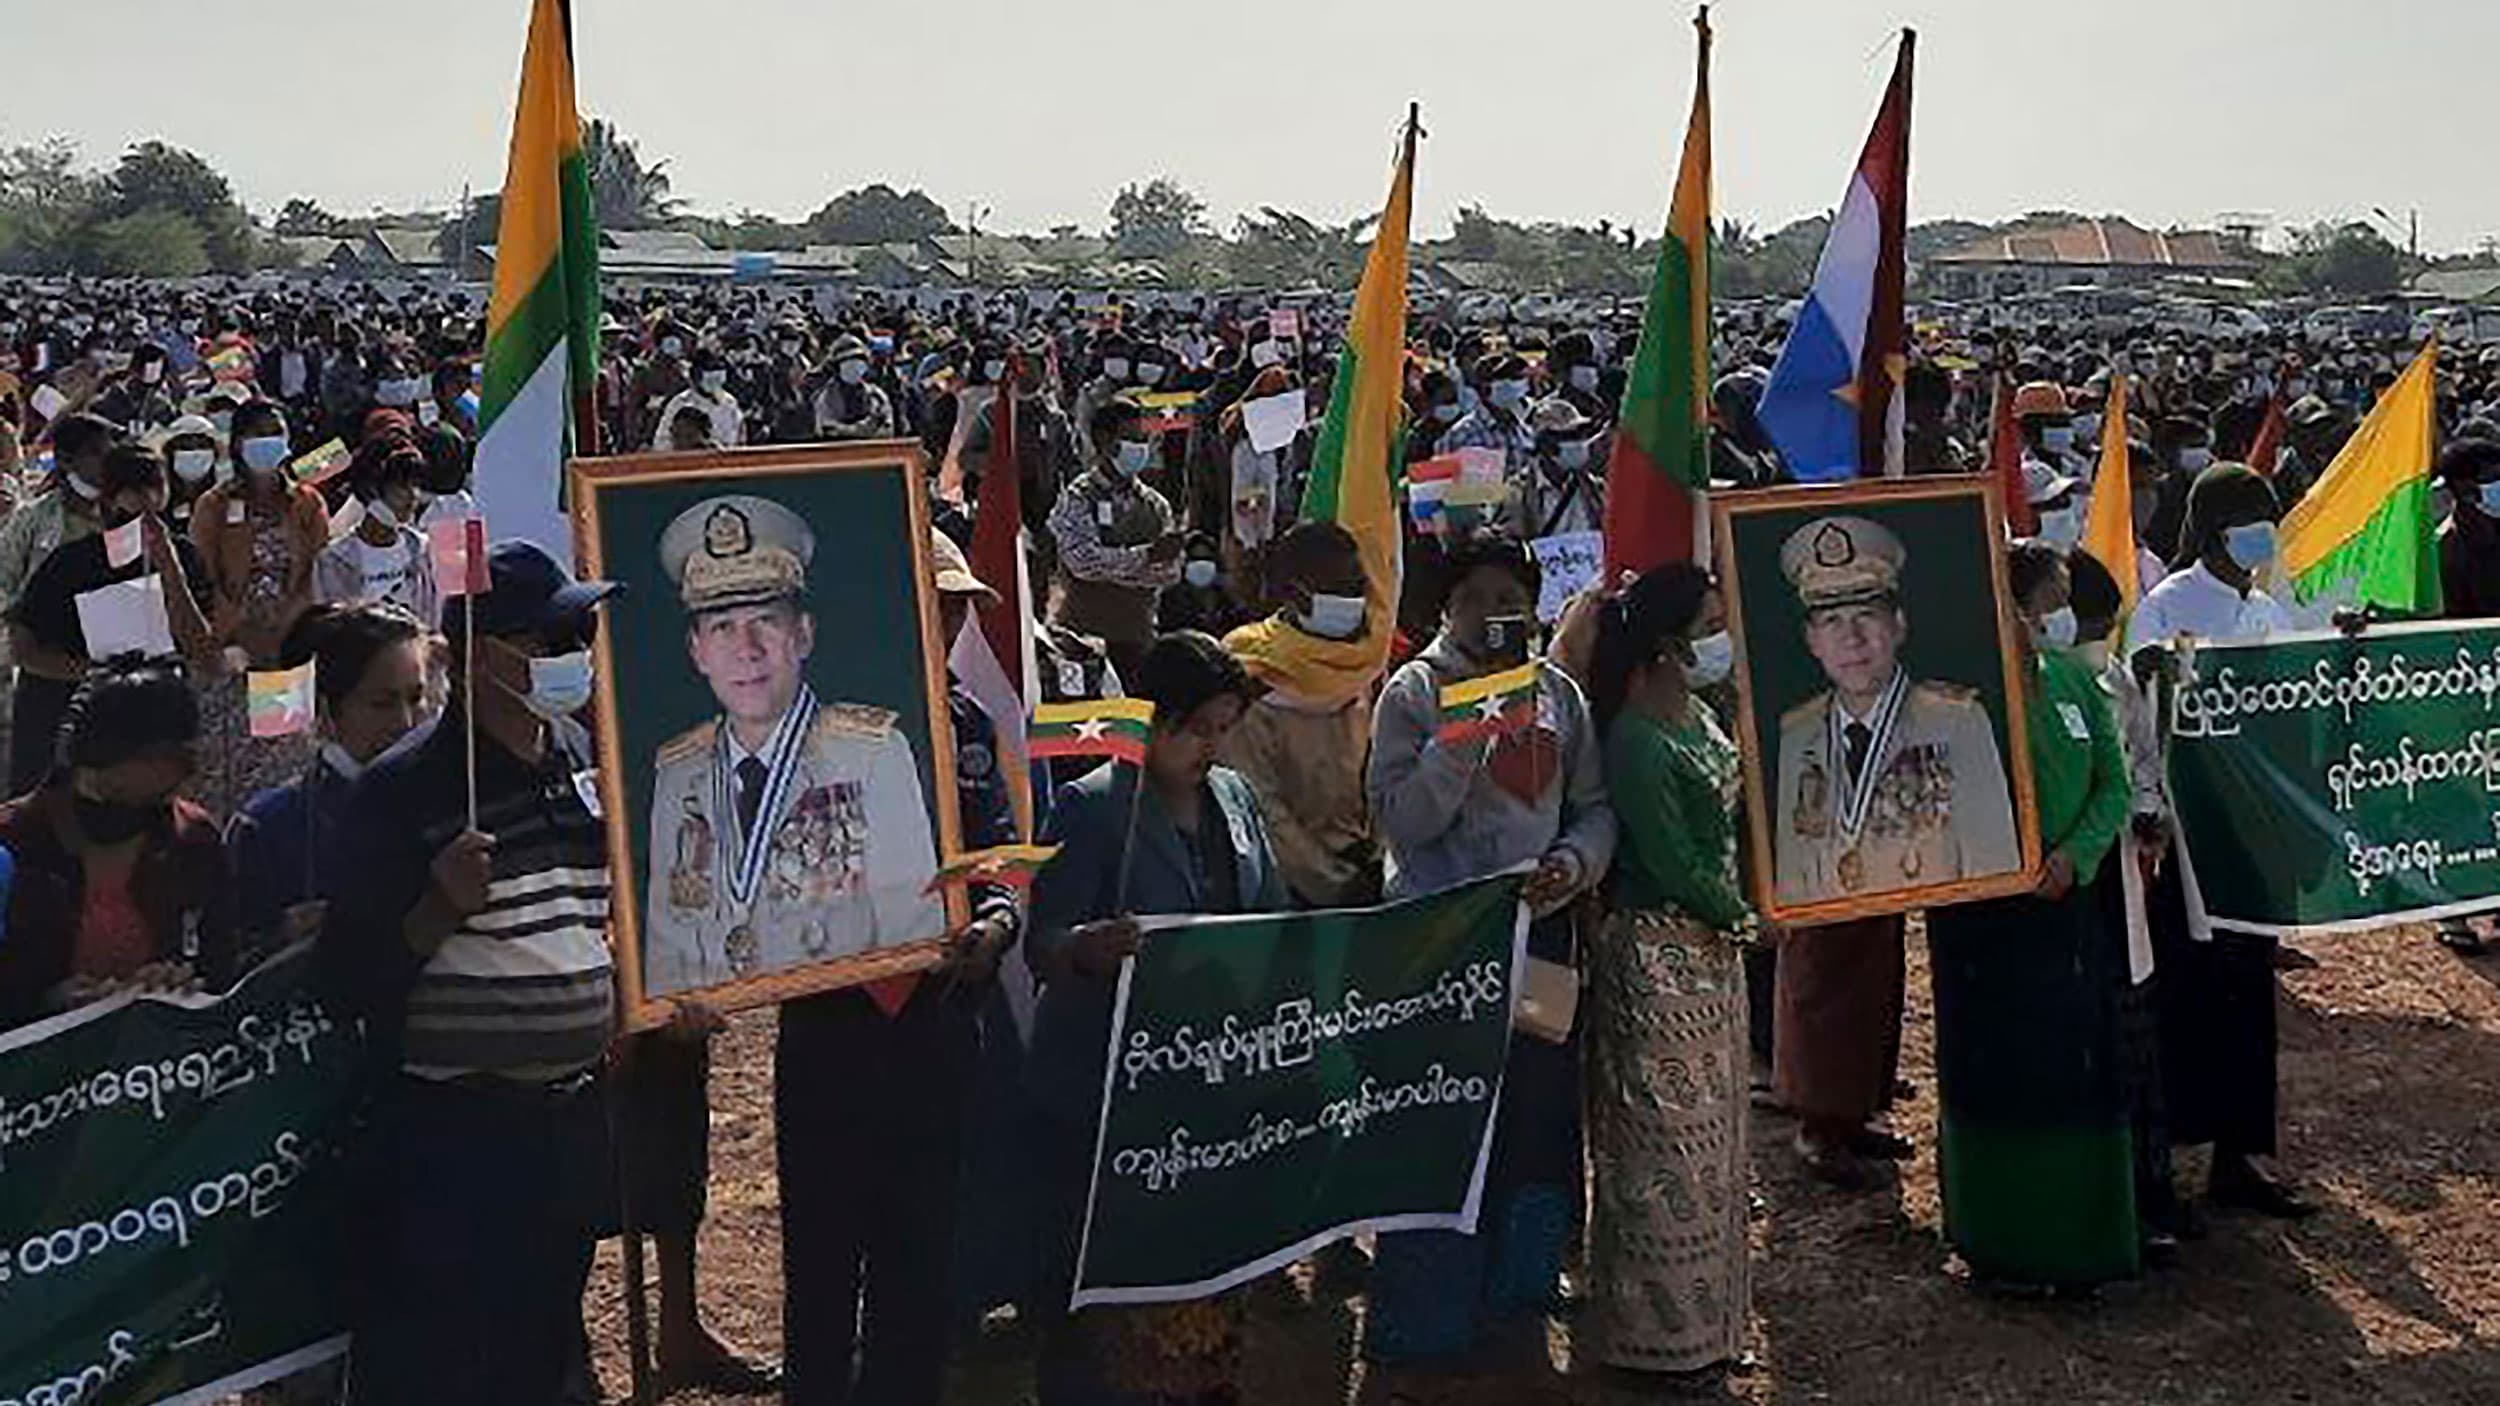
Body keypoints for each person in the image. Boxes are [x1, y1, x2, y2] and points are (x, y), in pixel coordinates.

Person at [316, 541, 622, 1406]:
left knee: (538, 1354)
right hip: (455, 1140)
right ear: (478, 655)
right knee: (443, 1370)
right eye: (553, 636)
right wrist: (436, 911)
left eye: (583, 632)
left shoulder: (579, 770)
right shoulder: (403, 793)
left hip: (565, 1128)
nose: (574, 654)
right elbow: (343, 982)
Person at [774, 530, 1022, 1406]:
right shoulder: (803, 725)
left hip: (939, 1016)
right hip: (829, 1018)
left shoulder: (966, 726)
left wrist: (996, 923)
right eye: (933, 601)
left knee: (921, 1251)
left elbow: (998, 855)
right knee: (823, 1253)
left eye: (958, 607)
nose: (947, 620)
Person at [1364, 533, 1614, 1365]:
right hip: (1441, 945)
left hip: (1538, 936)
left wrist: (1572, 864)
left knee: (1536, 1108)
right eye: (1475, 596)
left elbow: (1593, 807)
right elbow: (1403, 822)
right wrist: (1464, 736)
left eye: (1511, 594)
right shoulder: (1414, 693)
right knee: (1446, 1115)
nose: (1495, 611)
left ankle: (1523, 1284)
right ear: (1447, 606)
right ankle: (1428, 1313)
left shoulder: (1558, 695)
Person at [1026, 631, 1285, 1406]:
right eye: (1197, 727)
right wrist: (1089, 947)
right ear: (1153, 720)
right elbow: (1042, 943)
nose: (1211, 745)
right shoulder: (1092, 808)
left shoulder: (1235, 799)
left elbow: (1269, 912)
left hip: (1208, 1088)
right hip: (1104, 1090)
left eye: (1222, 728)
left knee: (1205, 1271)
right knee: (1099, 1284)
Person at [1927, 541, 2138, 1291]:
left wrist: (2072, 858)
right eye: (2045, 602)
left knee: (2072, 1074)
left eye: (2059, 603)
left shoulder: (2077, 686)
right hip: (1985, 924)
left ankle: (2079, 1237)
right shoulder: (1957, 698)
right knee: (1999, 1076)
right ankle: (2000, 1240)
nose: (2057, 617)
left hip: (2067, 909)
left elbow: (2112, 785)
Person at [642, 494, 944, 996]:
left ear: (803, 635)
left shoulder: (870, 755)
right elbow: (666, 946)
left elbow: (912, 931)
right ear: (697, 652)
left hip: (841, 1034)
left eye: (766, 621)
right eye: (723, 627)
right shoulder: (678, 773)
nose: (747, 649)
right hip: (720, 1046)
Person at [2123, 462, 2313, 1220]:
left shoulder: (2269, 607)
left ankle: (2240, 1153)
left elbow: (2304, 693)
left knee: (2248, 996)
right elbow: (2141, 719)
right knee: (2186, 992)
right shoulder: (2167, 608)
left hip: (2257, 835)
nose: (2259, 537)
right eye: (2247, 520)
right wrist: (2151, 808)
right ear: (2210, 529)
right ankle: (2170, 1165)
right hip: (2193, 839)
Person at [1581, 563, 1754, 1378]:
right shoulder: (1635, 739)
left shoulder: (1699, 713)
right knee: (1661, 1157)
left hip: (1712, 956)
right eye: (1710, 622)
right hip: (1657, 958)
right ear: (1664, 642)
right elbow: (1671, 858)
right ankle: (1655, 1343)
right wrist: (1744, 915)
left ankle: (1711, 1328)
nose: (1723, 637)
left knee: (1713, 1149)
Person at [1769, 515, 2019, 904]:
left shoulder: (1955, 721)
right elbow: (1792, 873)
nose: (1851, 638)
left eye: (1866, 616)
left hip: (1931, 942)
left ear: (1899, 625)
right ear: (1812, 641)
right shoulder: (1797, 733)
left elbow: (1992, 863)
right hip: (1837, 946)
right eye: (1831, 621)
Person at [0, 660, 233, 1032]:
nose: (188, 771)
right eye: (171, 756)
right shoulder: (15, 846)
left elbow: (223, 963)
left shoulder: (193, 840)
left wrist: (178, 981)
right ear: (103, 756)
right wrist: (48, 1002)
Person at [9, 443, 218, 796]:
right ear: (108, 500)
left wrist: (169, 568)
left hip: (156, 723)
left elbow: (199, 645)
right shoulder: (71, 565)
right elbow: (26, 648)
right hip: (83, 725)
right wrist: (94, 673)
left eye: (153, 486)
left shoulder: (184, 557)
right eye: (132, 490)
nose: (145, 499)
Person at [227, 602, 430, 963]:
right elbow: (228, 961)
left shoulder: (456, 800)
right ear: (323, 709)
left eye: (416, 698)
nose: (406, 722)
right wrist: (283, 935)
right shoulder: (269, 825)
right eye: (382, 703)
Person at [1219, 520, 1380, 908]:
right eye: (1341, 590)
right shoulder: (1250, 673)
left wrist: (1380, 861)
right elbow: (1261, 807)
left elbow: (1380, 772)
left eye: (1358, 586)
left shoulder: (1363, 662)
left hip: (1368, 872)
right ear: (1295, 595)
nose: (1356, 599)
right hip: (1288, 887)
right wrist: (1334, 883)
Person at [188, 398, 328, 815]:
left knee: (279, 760)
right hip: (231, 649)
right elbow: (204, 577)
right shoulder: (214, 505)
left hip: (286, 648)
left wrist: (283, 632)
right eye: (257, 433)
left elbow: (313, 574)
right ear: (237, 443)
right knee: (226, 761)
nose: (267, 442)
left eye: (275, 432)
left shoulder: (306, 503)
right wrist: (241, 630)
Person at [1047, 397, 1183, 684]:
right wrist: (1144, 557)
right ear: (1102, 441)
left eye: (1142, 439)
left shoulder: (1155, 504)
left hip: (1138, 637)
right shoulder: (1078, 496)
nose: (1140, 448)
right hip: (1082, 638)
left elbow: (1169, 572)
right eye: (1130, 439)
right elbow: (1082, 561)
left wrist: (1117, 565)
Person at [2432, 438, 2500, 954]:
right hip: (2462, 697)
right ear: (2462, 489)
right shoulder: (2446, 549)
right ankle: (2453, 912)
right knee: (2460, 804)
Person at [314, 436, 438, 622]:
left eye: (416, 485)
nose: (413, 495)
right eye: (401, 486)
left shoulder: (422, 550)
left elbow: (432, 618)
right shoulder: (334, 560)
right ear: (370, 489)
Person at [654, 346, 745, 450]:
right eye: (709, 372)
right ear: (695, 375)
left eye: (717, 372)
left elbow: (739, 438)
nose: (714, 378)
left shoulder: (730, 402)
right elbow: (661, 443)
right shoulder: (679, 403)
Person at [813, 333, 898, 440]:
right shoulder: (826, 398)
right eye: (848, 363)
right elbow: (828, 431)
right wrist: (864, 429)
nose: (854, 368)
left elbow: (886, 429)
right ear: (837, 367)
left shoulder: (877, 396)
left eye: (858, 362)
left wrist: (847, 431)